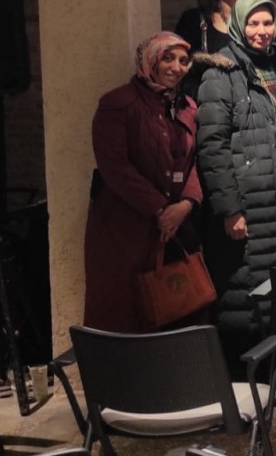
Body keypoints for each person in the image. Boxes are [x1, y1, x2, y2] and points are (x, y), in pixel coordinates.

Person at [195, 0, 276, 356]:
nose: (261, 31)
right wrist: (230, 208)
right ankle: (243, 378)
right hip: (246, 204)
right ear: (239, 25)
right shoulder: (220, 73)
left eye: (267, 23)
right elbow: (211, 146)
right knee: (244, 291)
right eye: (253, 23)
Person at [84, 32, 203, 333]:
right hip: (126, 227)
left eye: (183, 60)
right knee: (124, 310)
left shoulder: (188, 107)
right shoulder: (118, 103)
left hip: (174, 226)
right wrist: (160, 209)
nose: (176, 67)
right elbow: (114, 166)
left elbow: (194, 162)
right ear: (150, 59)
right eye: (168, 58)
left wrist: (186, 205)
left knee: (174, 307)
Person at [174, 0, 257, 96]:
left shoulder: (261, 22)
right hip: (205, 108)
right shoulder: (193, 20)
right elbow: (178, 69)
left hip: (248, 112)